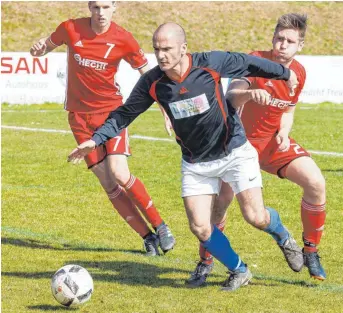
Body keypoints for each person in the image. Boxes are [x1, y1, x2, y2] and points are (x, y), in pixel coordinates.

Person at [68, 22, 303, 291]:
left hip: (234, 151)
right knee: (200, 227)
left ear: (183, 48)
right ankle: (239, 269)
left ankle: (283, 237)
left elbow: (248, 63)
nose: (161, 55)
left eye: (167, 49)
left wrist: (284, 73)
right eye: (157, 49)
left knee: (255, 217)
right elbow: (124, 114)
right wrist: (95, 139)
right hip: (196, 162)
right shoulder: (153, 82)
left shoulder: (209, 63)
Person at [188, 13, 326, 287]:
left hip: (272, 144)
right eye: (279, 38)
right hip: (237, 146)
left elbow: (289, 108)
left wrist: (285, 132)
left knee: (316, 183)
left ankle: (310, 250)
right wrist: (250, 94)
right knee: (218, 209)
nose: (282, 44)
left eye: (289, 41)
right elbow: (231, 95)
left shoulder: (298, 71)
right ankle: (205, 262)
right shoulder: (254, 61)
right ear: (272, 39)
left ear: (300, 46)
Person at [29, 1, 175, 256]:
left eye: (106, 7)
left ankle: (161, 225)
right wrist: (38, 49)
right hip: (79, 119)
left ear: (114, 7)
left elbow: (147, 74)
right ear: (89, 7)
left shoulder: (123, 38)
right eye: (96, 7)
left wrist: (165, 109)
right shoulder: (70, 28)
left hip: (111, 116)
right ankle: (147, 237)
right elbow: (46, 45)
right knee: (108, 183)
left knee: (119, 172)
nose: (101, 13)